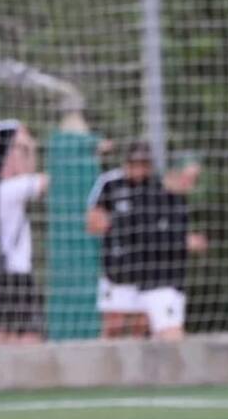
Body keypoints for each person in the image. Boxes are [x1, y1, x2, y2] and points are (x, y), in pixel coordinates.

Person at [137, 150, 209, 341]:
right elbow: (147, 240)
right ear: (175, 173)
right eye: (189, 177)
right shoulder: (153, 198)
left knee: (162, 340)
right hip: (157, 284)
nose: (192, 183)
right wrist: (184, 242)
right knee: (173, 337)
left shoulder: (180, 201)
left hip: (174, 283)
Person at [86, 143, 152, 339]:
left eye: (144, 164)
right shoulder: (110, 183)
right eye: (135, 164)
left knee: (141, 326)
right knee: (113, 326)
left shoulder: (155, 186)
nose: (139, 169)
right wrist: (119, 223)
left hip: (146, 271)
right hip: (115, 268)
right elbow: (92, 223)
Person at [0, 126, 49, 343]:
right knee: (25, 335)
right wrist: (31, 147)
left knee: (9, 333)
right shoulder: (9, 188)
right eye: (18, 152)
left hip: (9, 271)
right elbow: (44, 180)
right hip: (14, 272)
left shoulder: (4, 187)